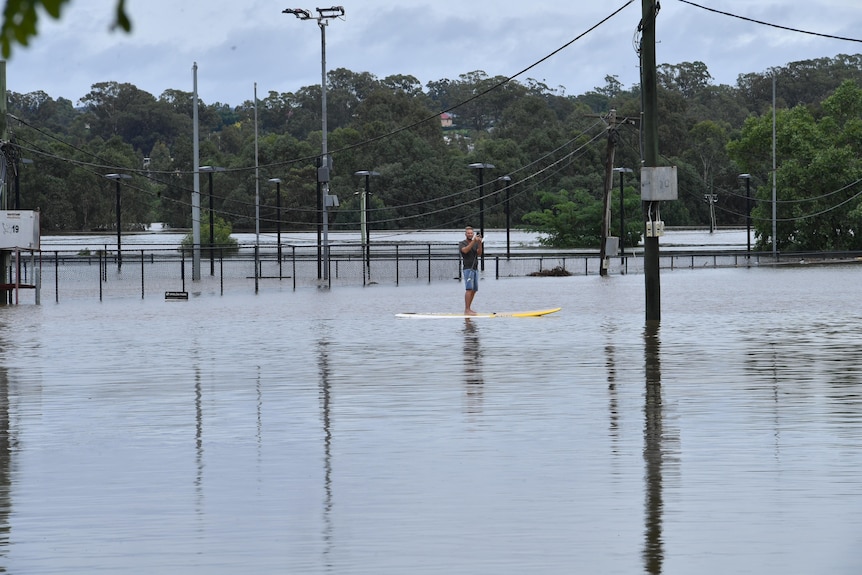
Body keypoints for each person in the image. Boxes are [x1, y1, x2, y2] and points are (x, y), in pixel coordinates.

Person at [459, 226, 483, 315]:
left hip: (475, 268)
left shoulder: (476, 243)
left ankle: (469, 308)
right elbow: (465, 251)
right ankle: (467, 309)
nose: (470, 234)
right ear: (465, 234)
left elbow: (479, 253)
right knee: (469, 288)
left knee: (474, 289)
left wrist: (480, 243)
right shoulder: (462, 243)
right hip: (468, 268)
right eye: (468, 233)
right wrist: (474, 241)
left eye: (471, 233)